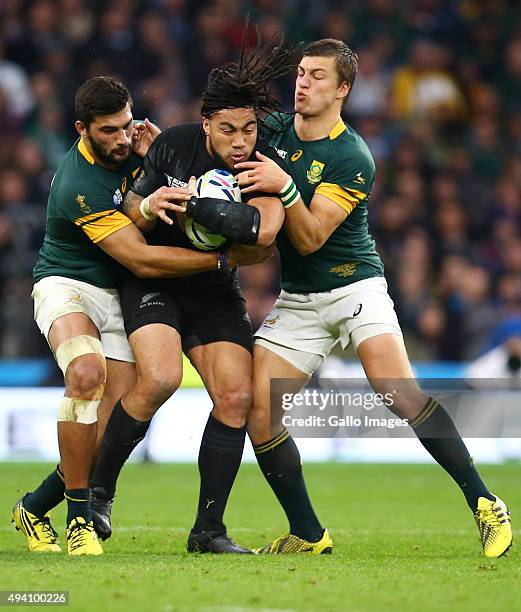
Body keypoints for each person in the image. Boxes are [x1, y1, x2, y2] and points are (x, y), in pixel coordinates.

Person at [235, 39, 513, 558]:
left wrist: (284, 187)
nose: (302, 82)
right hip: (299, 298)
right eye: (299, 73)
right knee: (260, 412)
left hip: (353, 285)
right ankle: (309, 533)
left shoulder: (352, 155)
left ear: (342, 89)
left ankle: (485, 501)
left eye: (317, 76)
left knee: (397, 392)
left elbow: (313, 235)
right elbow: (219, 146)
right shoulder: (271, 132)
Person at [12, 76, 265, 557]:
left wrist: (156, 166)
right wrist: (221, 260)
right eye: (109, 131)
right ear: (81, 129)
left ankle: (32, 505)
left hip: (116, 294)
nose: (122, 138)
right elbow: (142, 258)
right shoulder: (77, 183)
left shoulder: (143, 146)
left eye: (128, 126)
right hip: (69, 284)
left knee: (107, 429)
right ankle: (80, 517)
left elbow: (165, 184)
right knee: (86, 373)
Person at [88, 39, 294, 554]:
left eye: (248, 129)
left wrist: (208, 210)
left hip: (213, 289)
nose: (240, 141)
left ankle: (208, 531)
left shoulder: (259, 166)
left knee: (238, 397)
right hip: (154, 281)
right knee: (160, 377)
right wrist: (153, 202)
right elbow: (131, 213)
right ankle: (98, 495)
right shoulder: (173, 146)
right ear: (206, 125)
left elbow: (265, 235)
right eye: (227, 129)